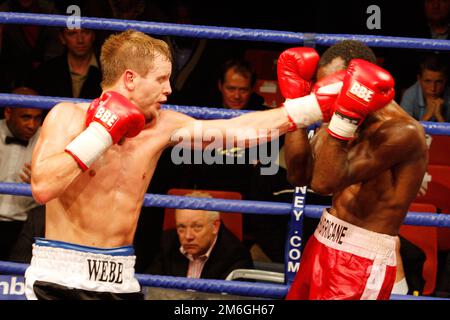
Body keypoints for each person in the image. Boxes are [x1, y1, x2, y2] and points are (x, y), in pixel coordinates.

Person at [25, 29, 325, 300]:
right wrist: (101, 132)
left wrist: (310, 107)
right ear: (130, 78)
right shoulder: (68, 116)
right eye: (160, 79)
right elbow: (43, 186)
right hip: (60, 275)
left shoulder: (162, 125)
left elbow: (233, 132)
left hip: (119, 276)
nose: (168, 89)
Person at [282, 41, 428, 300]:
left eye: (333, 87)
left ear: (359, 84)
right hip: (322, 240)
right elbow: (299, 176)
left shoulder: (402, 132)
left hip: (360, 261)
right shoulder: (339, 118)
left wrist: (344, 117)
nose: (326, 96)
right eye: (321, 87)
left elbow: (325, 183)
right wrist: (295, 107)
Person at [146, 192, 253, 279]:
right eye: (181, 227)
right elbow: (150, 288)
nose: (188, 236)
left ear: (215, 226)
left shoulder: (236, 255)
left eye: (197, 227)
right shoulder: (167, 243)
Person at [0, 86, 43, 260]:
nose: (32, 125)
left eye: (37, 118)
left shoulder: (47, 138)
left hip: (25, 226)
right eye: (26, 117)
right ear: (9, 112)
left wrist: (44, 179)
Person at [29, 27, 102, 99]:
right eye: (72, 33)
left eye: (86, 32)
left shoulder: (108, 69)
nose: (80, 40)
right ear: (62, 38)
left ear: (93, 35)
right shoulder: (45, 71)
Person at [400, 53, 450, 122]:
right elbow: (404, 131)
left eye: (439, 82)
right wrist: (428, 115)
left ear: (446, 80)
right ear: (419, 79)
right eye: (427, 81)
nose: (433, 88)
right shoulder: (410, 95)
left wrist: (439, 116)